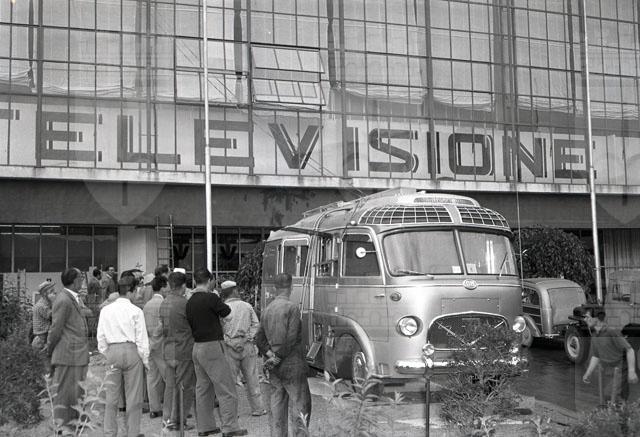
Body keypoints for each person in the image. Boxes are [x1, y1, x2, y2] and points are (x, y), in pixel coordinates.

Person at [186, 269, 248, 437]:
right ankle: (230, 427)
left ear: (195, 281)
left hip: (197, 347)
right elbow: (228, 314)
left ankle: (205, 427)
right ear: (210, 280)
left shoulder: (190, 301)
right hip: (213, 345)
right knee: (226, 388)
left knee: (203, 388)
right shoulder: (211, 298)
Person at [256, 273, 311, 437]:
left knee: (277, 405)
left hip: (274, 367)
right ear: (291, 287)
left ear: (275, 288)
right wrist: (278, 357)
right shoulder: (292, 308)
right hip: (292, 364)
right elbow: (291, 338)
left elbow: (259, 339)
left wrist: (271, 356)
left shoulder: (267, 310)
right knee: (301, 405)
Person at [97, 276, 150, 437]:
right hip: (132, 350)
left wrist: (106, 352)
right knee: (134, 397)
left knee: (111, 397)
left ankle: (109, 432)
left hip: (112, 350)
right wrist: (145, 360)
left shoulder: (106, 310)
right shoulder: (136, 311)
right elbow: (142, 339)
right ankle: (133, 432)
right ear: (131, 291)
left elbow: (101, 336)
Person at [46, 268, 90, 431]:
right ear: (74, 280)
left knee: (76, 391)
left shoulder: (72, 298)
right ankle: (62, 426)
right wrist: (50, 349)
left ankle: (75, 423)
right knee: (64, 392)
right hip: (67, 353)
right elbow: (56, 328)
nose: (83, 281)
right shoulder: (63, 299)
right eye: (81, 278)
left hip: (75, 353)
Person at [220, 280, 266, 417]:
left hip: (229, 346)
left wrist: (230, 342)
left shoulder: (221, 308)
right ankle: (258, 408)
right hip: (247, 345)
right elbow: (256, 324)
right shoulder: (247, 306)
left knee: (230, 381)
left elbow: (219, 329)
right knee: (252, 378)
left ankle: (232, 412)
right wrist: (247, 338)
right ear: (234, 291)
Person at [157, 271, 195, 431]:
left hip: (169, 348)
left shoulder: (164, 302)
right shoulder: (185, 303)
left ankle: (167, 418)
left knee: (170, 386)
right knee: (185, 386)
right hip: (184, 348)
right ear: (184, 286)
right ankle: (179, 420)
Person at [582, 308, 639, 403]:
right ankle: (621, 410)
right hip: (609, 370)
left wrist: (631, 371)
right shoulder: (595, 335)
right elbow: (596, 355)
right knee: (611, 397)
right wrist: (588, 373)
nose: (585, 319)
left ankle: (620, 409)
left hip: (621, 367)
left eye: (587, 317)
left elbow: (629, 350)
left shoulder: (611, 331)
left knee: (612, 396)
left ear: (597, 318)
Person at [143, 275, 171, 420]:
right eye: (167, 286)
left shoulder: (147, 305)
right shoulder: (164, 303)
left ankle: (154, 408)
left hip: (149, 343)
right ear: (163, 287)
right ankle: (172, 409)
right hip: (162, 344)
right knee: (169, 377)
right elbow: (166, 326)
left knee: (152, 377)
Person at [32, 280, 56, 371]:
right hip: (42, 341)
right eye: (52, 291)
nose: (54, 293)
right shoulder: (42, 306)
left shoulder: (46, 304)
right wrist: (54, 302)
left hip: (45, 338)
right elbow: (55, 316)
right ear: (45, 294)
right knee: (47, 370)